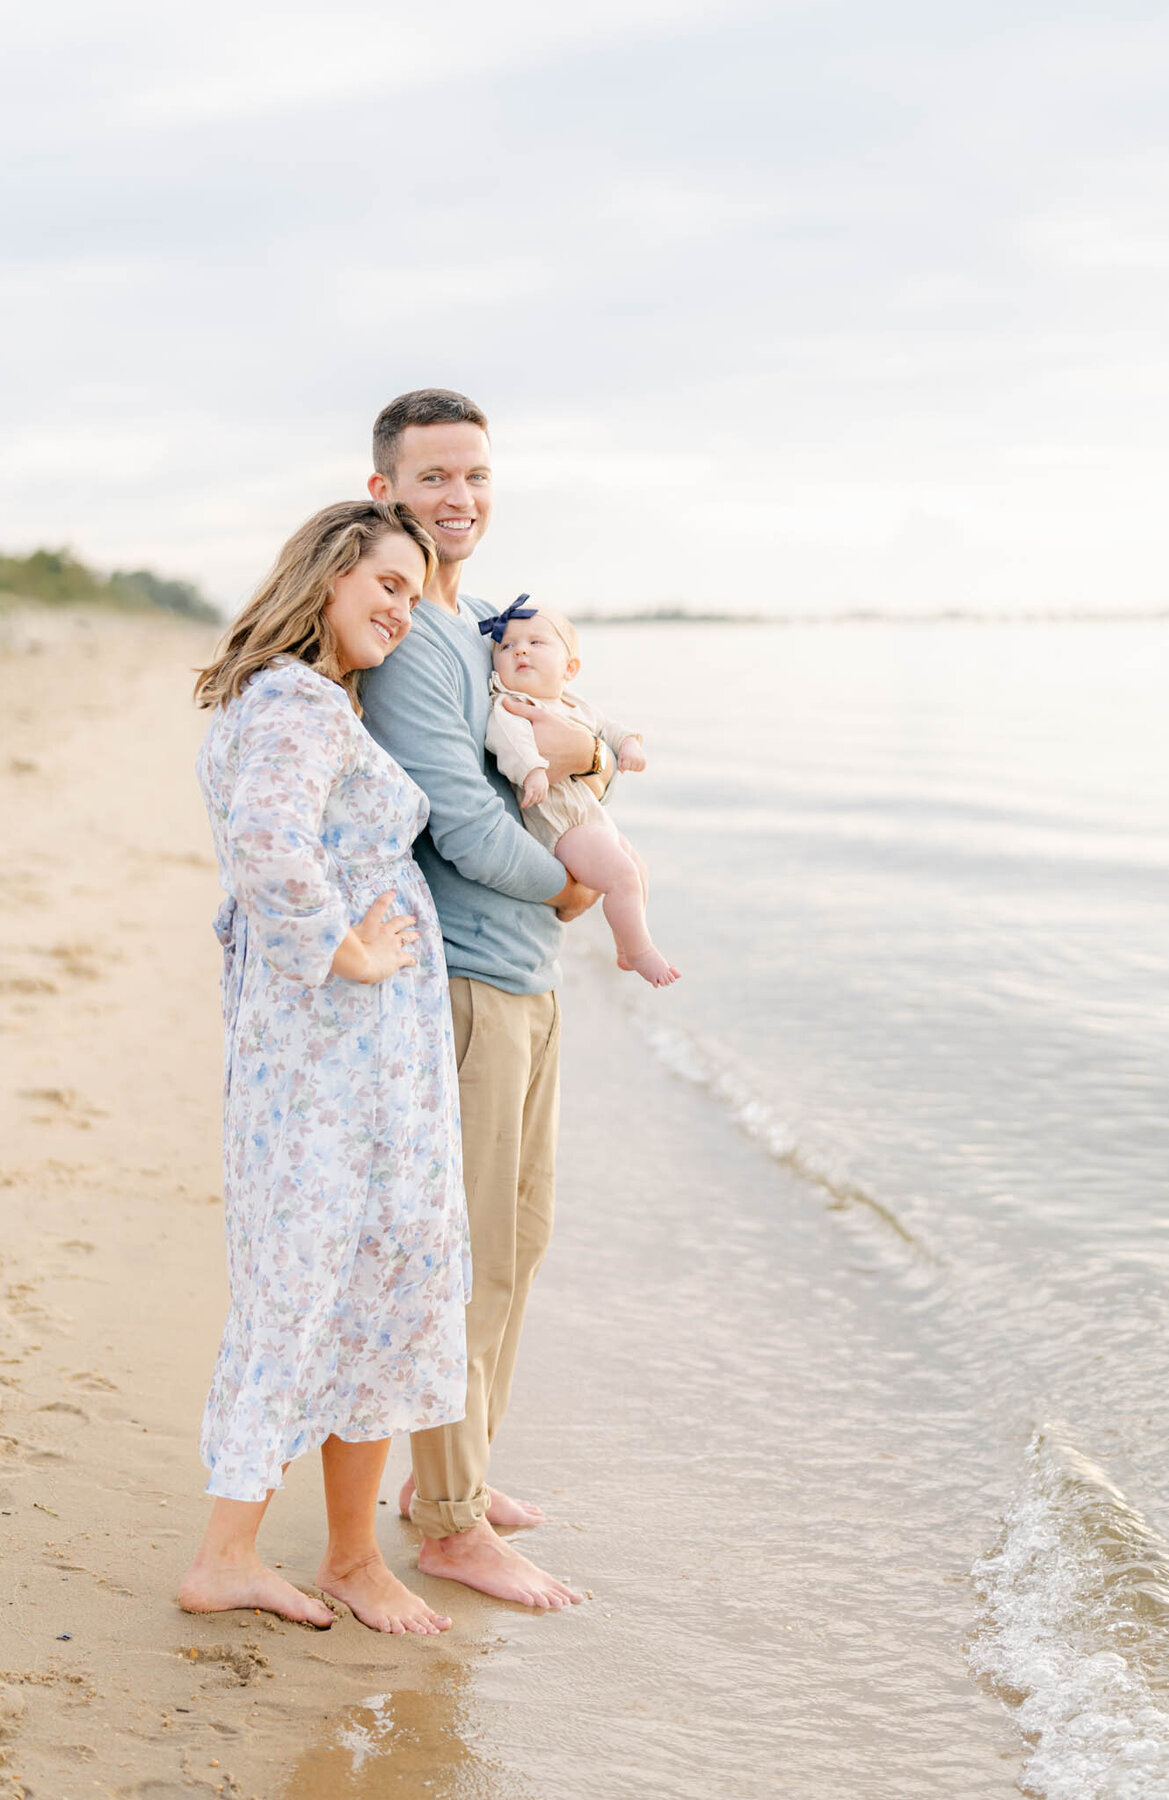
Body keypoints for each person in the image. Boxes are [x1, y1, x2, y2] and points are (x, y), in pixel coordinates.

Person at [179, 499, 471, 1636]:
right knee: (315, 1287)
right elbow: (268, 841)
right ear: (332, 571)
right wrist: (349, 949)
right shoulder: (300, 700)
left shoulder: (292, 698)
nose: (401, 608)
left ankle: (343, 1556)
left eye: (413, 592)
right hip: (334, 1063)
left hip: (341, 1059)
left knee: (356, 1285)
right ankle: (232, 1554)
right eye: (388, 585)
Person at [362, 389, 608, 1610]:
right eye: (432, 479)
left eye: (475, 475)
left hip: (528, 977)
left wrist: (596, 757)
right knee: (468, 1259)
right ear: (384, 494)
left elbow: (570, 740)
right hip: (465, 978)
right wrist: (571, 886)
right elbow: (456, 820)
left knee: (522, 1240)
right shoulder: (414, 640)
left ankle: (454, 1476)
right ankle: (452, 1523)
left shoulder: (482, 632)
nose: (458, 498)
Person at [484, 599, 680, 988]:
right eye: (506, 647)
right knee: (622, 877)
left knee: (637, 869)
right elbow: (507, 740)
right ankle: (642, 952)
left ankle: (625, 946)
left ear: (569, 668)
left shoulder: (574, 704)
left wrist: (628, 747)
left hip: (591, 816)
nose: (519, 649)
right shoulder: (512, 705)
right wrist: (532, 770)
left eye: (536, 643)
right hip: (561, 823)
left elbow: (609, 729)